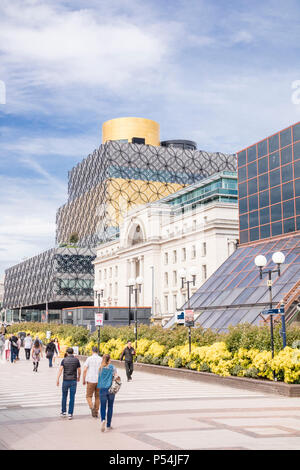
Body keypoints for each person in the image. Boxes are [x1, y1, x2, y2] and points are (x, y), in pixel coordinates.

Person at [56, 347, 81, 420]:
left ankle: (63, 411)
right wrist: (79, 377)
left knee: (64, 396)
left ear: (67, 353)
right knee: (72, 397)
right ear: (73, 352)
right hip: (73, 381)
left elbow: (60, 370)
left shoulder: (64, 360)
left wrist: (57, 379)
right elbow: (79, 370)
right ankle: (70, 413)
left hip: (65, 380)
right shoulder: (76, 360)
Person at [97, 354, 117, 432]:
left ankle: (103, 420)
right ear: (109, 360)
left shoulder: (100, 368)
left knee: (102, 406)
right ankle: (108, 425)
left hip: (102, 389)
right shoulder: (113, 367)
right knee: (110, 406)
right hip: (111, 389)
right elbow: (116, 376)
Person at [82, 346, 102, 418]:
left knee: (88, 396)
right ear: (98, 351)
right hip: (99, 380)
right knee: (98, 397)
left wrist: (83, 379)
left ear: (92, 351)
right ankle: (96, 411)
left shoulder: (89, 359)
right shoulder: (101, 359)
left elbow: (85, 370)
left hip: (90, 380)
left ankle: (92, 407)